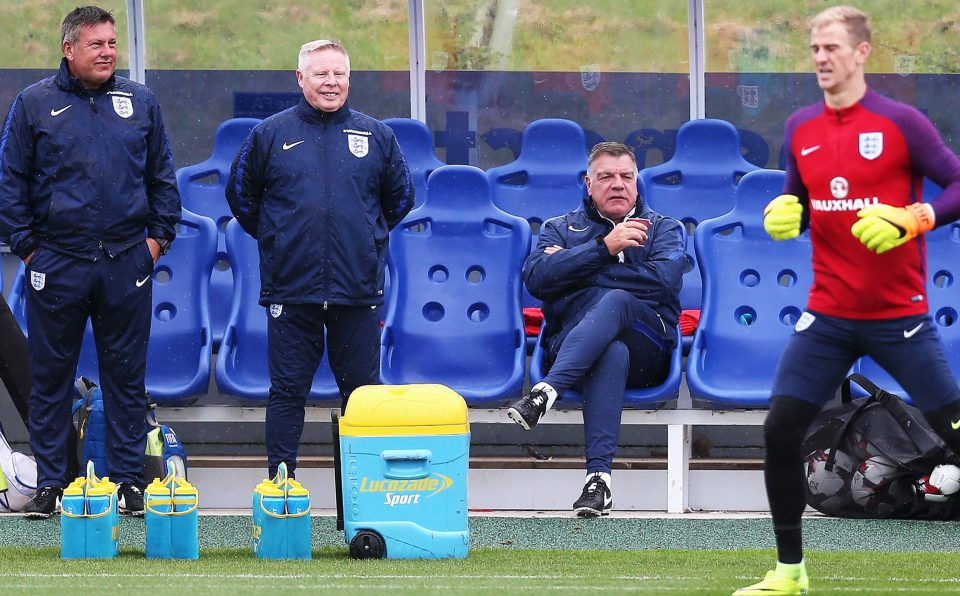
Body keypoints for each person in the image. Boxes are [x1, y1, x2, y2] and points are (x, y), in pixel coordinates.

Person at [736, 6, 960, 595]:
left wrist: (915, 217)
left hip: (898, 316)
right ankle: (790, 572)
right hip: (828, 316)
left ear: (862, 53)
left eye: (832, 46)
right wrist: (786, 215)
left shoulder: (902, 122)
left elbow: (958, 183)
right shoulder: (801, 128)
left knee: (955, 429)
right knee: (781, 429)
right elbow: (799, 204)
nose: (820, 57)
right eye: (814, 47)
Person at [0, 6, 181, 518]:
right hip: (56, 263)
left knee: (126, 379)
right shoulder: (33, 105)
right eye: (95, 44)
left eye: (111, 44)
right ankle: (52, 485)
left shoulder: (140, 102)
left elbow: (162, 178)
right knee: (49, 379)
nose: (107, 53)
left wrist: (156, 242)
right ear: (68, 49)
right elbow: (9, 183)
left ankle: (129, 484)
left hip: (127, 261)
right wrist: (28, 247)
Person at [227, 39, 414, 480]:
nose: (331, 83)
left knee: (361, 397)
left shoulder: (376, 135)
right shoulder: (269, 134)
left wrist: (364, 238)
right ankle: (281, 487)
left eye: (339, 74)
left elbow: (401, 197)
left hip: (357, 290)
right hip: (292, 291)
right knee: (288, 393)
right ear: (300, 79)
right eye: (321, 74)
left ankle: (363, 491)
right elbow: (240, 196)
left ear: (349, 79)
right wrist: (279, 237)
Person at [506, 141, 684, 517]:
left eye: (626, 176)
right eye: (606, 177)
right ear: (588, 184)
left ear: (637, 183)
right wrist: (604, 247)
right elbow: (537, 278)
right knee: (610, 349)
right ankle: (598, 482)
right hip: (579, 349)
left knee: (618, 301)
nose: (617, 184)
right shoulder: (558, 227)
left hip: (647, 351)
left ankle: (546, 391)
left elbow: (662, 283)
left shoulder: (666, 229)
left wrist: (578, 268)